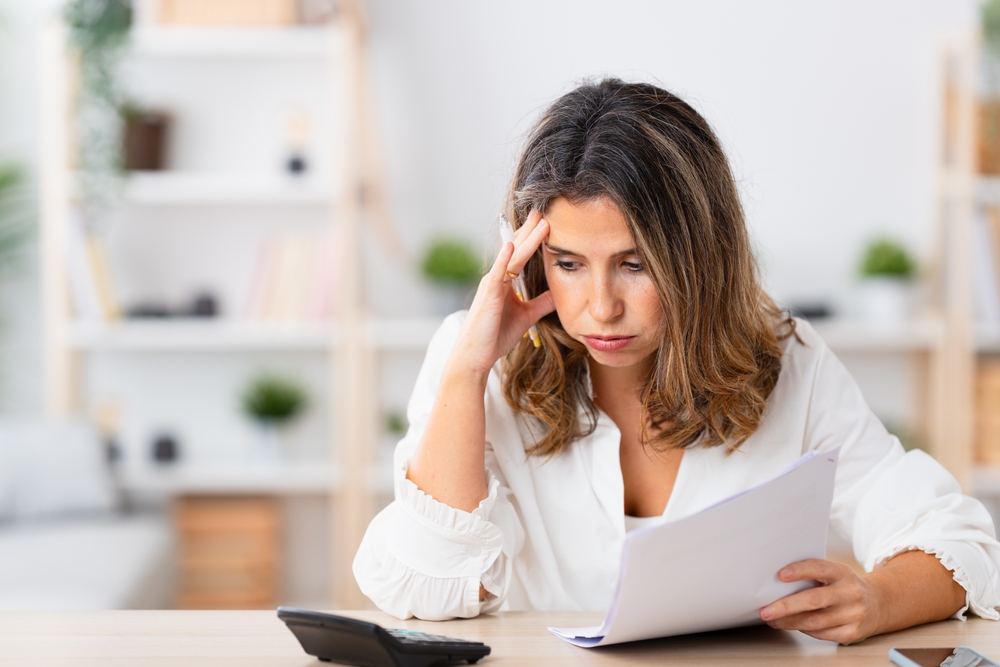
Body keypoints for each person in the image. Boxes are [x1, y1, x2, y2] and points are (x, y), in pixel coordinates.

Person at [353, 78, 1000, 644]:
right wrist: (466, 374)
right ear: (524, 255)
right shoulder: (475, 361)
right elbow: (426, 588)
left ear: (699, 254)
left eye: (634, 264)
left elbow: (958, 536)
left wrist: (880, 597)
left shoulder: (785, 359)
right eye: (569, 264)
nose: (600, 307)